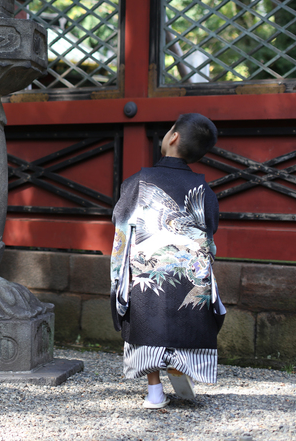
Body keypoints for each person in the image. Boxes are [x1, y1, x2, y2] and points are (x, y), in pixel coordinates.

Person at [109, 113, 226, 409]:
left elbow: (120, 226)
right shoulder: (205, 191)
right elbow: (209, 232)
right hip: (189, 273)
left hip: (148, 272)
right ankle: (178, 368)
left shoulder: (137, 182)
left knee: (146, 320)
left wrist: (118, 277)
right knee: (188, 317)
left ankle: (155, 392)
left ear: (172, 136)